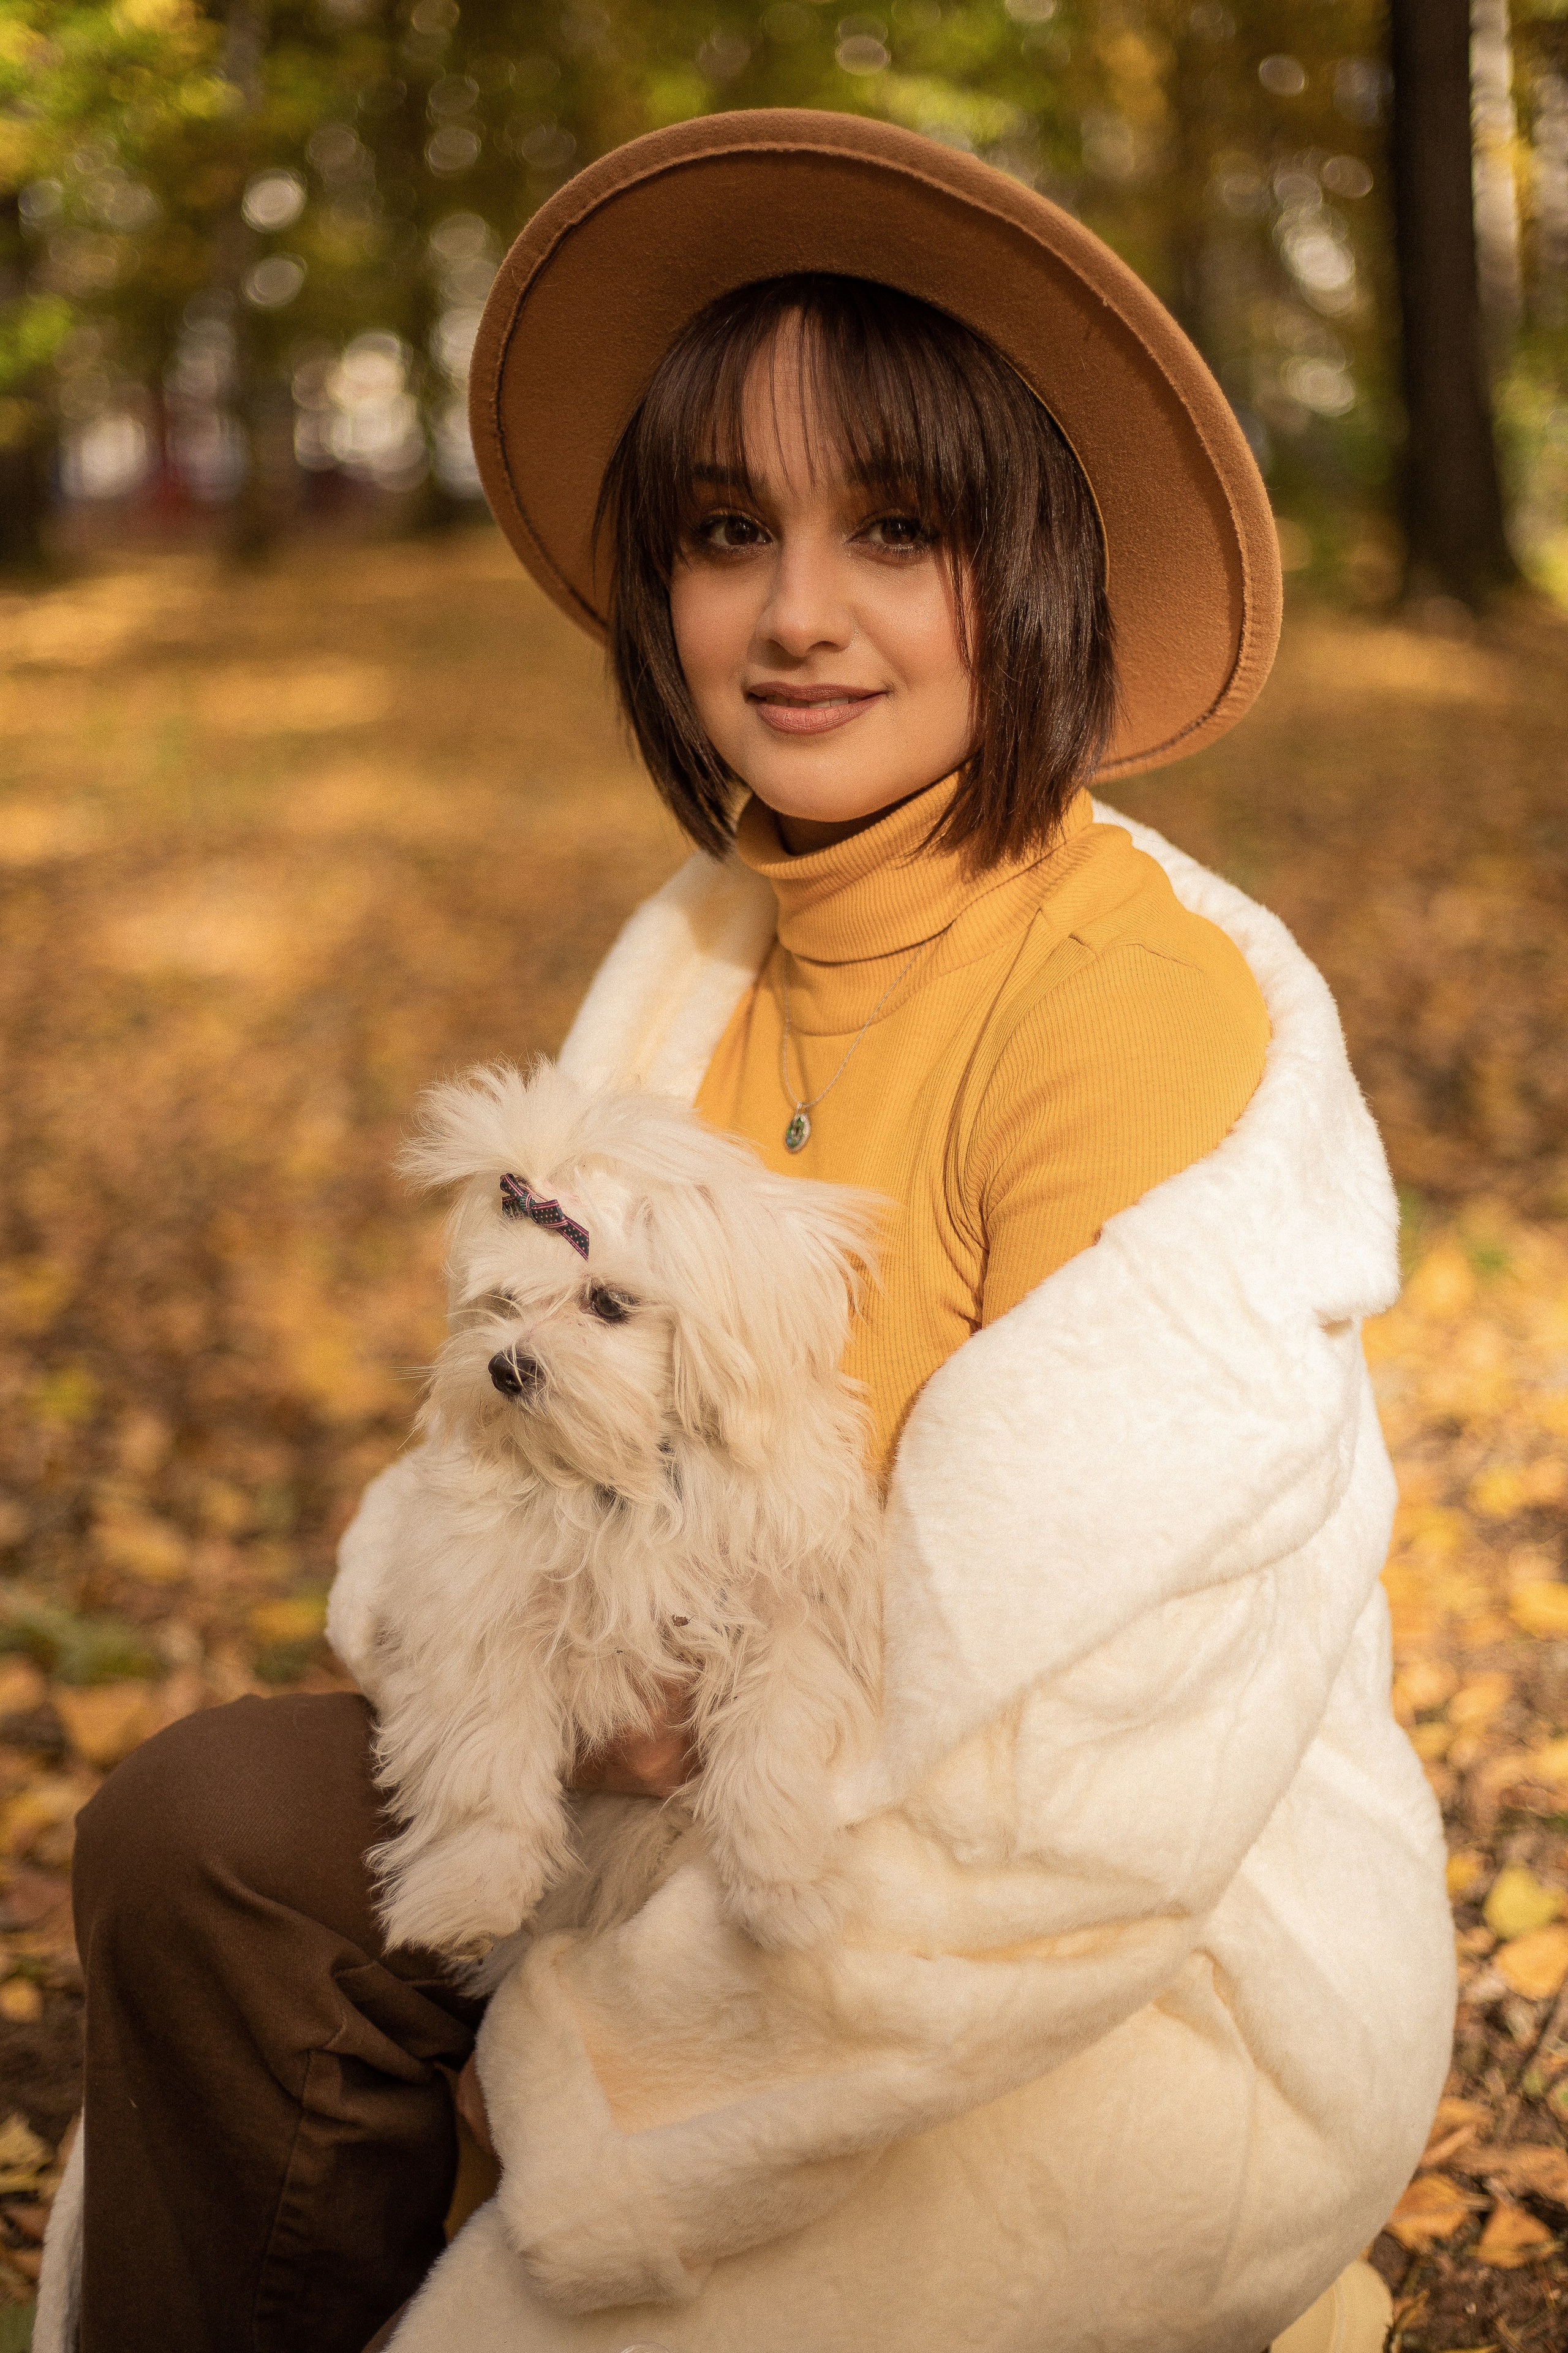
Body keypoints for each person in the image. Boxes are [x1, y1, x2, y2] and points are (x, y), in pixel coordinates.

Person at [48, 110, 1453, 2353]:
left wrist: (678, 1735)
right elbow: (521, 1439)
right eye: (728, 533)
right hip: (641, 1739)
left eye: (896, 528)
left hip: (1023, 1897)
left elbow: (1069, 1676)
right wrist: (546, 1680)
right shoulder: (703, 951)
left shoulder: (1125, 996)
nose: (798, 615)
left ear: (1038, 561)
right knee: (200, 1830)